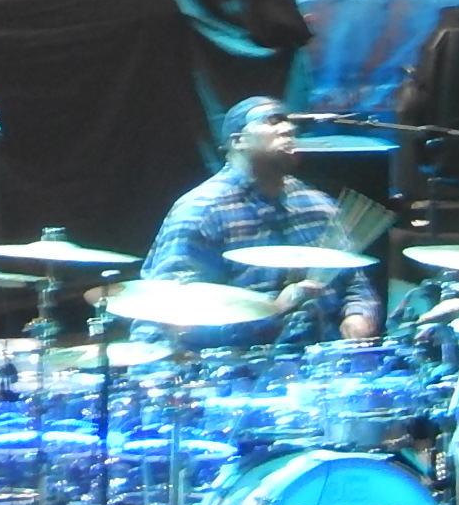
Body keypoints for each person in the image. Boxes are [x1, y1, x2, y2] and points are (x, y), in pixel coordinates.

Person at [140, 95, 382, 346]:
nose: (289, 128)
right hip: (243, 360)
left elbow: (355, 284)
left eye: (288, 121)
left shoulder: (318, 206)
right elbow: (167, 314)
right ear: (238, 141)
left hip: (324, 358)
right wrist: (273, 312)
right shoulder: (201, 211)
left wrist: (359, 316)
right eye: (273, 121)